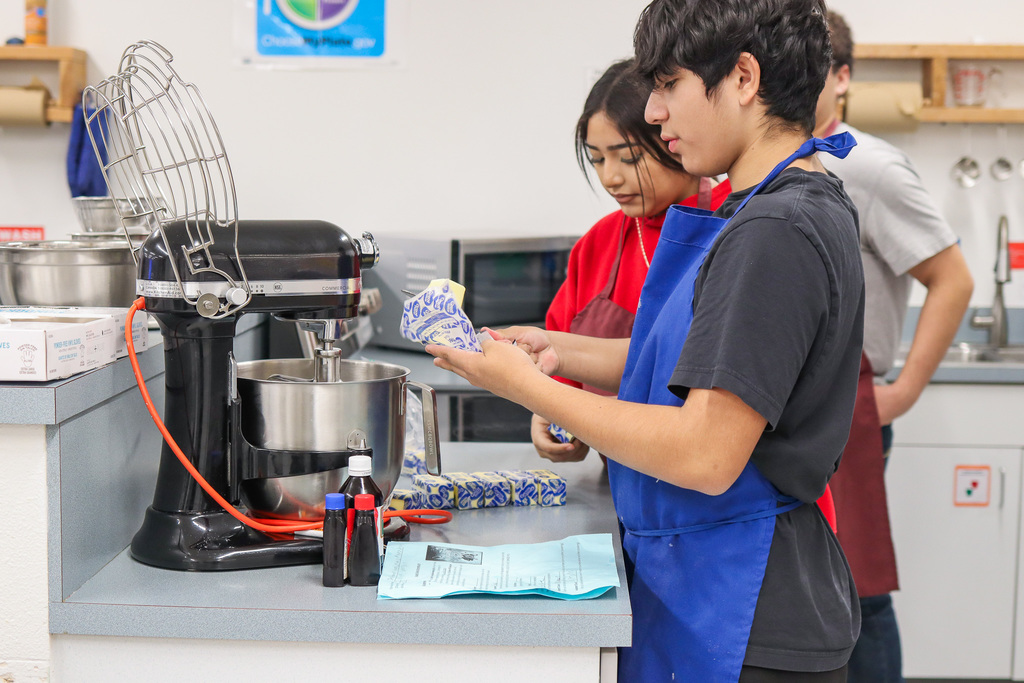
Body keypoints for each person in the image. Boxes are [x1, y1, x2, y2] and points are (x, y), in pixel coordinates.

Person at [428, 0, 864, 679]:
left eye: (668, 85)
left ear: (743, 79)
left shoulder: (773, 232)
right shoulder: (783, 204)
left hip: (741, 600)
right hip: (712, 576)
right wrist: (556, 349)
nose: (654, 112)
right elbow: (706, 362)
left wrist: (529, 387)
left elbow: (706, 452)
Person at [812, 12, 974, 683]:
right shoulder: (763, 166)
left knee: (860, 593)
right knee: (814, 591)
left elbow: (953, 278)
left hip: (848, 407)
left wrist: (903, 388)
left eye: (812, 62)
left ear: (842, 77)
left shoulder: (869, 167)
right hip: (791, 406)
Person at [532, 58, 730, 463]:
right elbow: (561, 360)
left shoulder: (736, 222)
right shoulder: (598, 243)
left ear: (671, 136)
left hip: (709, 478)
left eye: (628, 157)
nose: (610, 178)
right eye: (597, 159)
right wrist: (549, 409)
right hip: (621, 481)